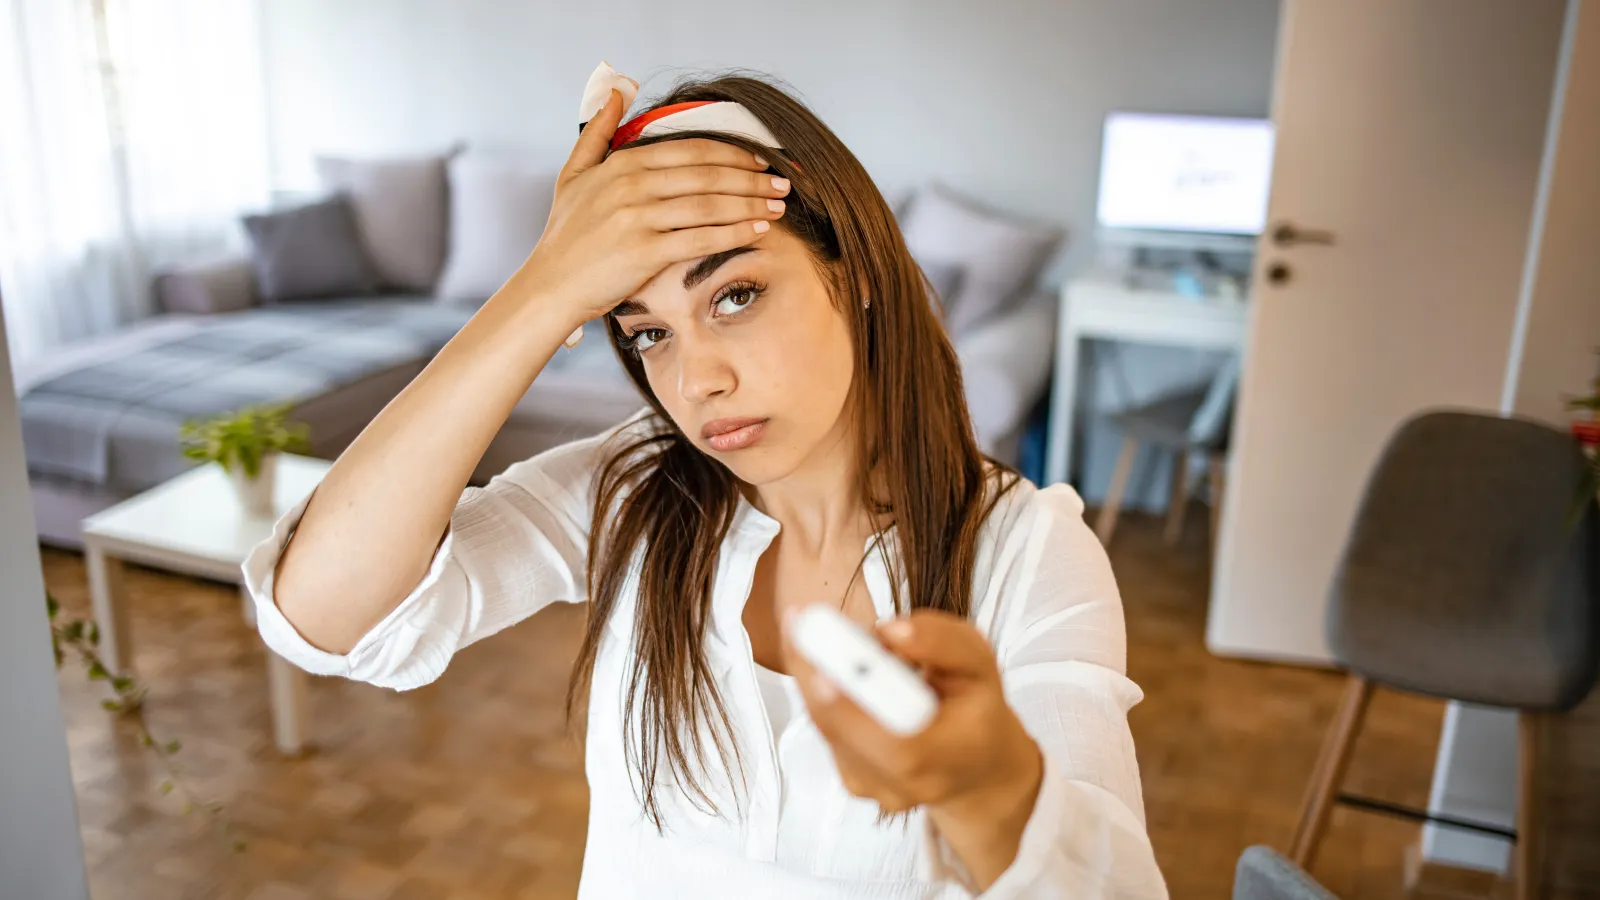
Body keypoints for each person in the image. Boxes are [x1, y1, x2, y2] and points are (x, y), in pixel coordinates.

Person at [243, 69, 1168, 899]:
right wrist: (543, 289)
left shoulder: (1027, 551)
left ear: (856, 276)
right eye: (648, 332)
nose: (695, 382)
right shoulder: (632, 490)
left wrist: (990, 789)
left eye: (734, 296)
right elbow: (325, 616)